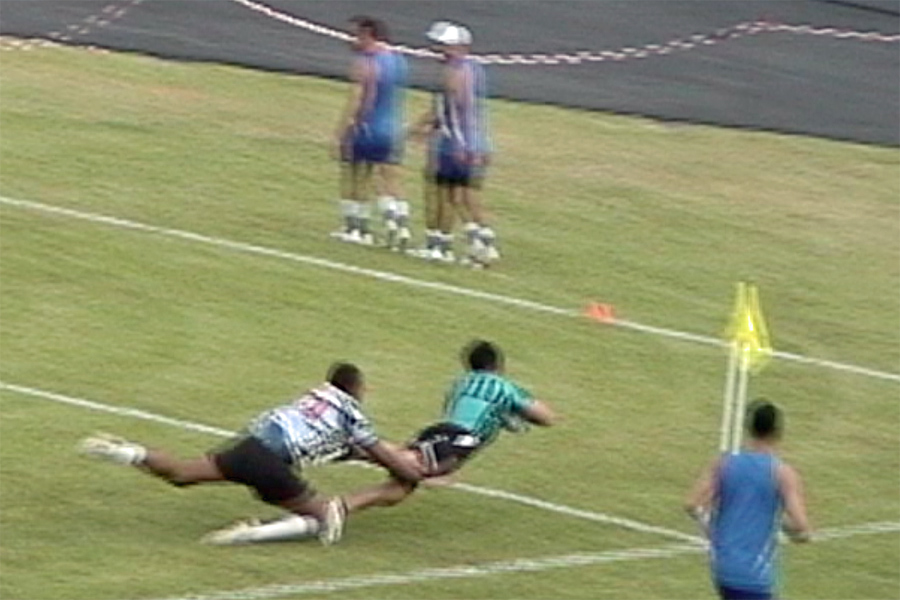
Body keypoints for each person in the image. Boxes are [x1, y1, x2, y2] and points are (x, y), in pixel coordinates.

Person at [78, 362, 425, 546]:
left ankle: (127, 451)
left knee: (182, 473)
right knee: (325, 515)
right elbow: (380, 452)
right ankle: (248, 534)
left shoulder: (315, 395)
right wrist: (416, 475)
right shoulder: (351, 413)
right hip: (270, 461)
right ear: (356, 389)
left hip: (247, 445)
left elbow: (341, 447)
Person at [685, 399, 813, 600]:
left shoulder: (724, 463)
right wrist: (785, 527)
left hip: (723, 570)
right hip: (755, 576)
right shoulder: (782, 473)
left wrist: (711, 530)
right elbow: (801, 526)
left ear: (748, 428)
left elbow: (692, 504)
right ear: (777, 432)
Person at [423, 22, 498, 266]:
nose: (439, 50)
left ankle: (447, 246)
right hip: (476, 141)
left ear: (459, 47)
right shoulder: (474, 69)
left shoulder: (454, 72)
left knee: (448, 195)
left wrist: (425, 129)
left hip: (457, 144)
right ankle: (484, 242)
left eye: (444, 45)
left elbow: (451, 109)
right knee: (467, 196)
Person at [332, 16, 410, 249]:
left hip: (367, 127)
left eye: (355, 35)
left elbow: (358, 99)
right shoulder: (398, 60)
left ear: (367, 35)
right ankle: (399, 225)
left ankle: (356, 228)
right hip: (392, 127)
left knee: (355, 175)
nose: (351, 40)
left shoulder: (364, 62)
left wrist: (343, 130)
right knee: (389, 177)